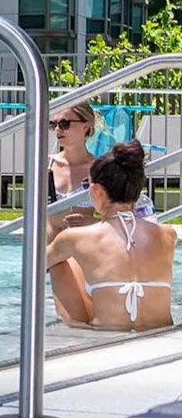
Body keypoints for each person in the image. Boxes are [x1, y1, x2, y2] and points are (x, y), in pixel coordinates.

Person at [47, 141, 174, 330]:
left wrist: (52, 225)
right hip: (159, 335)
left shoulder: (75, 238)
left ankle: (75, 326)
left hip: (104, 334)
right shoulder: (168, 235)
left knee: (60, 262)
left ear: (96, 191)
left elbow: (35, 263)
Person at [47, 101, 100, 229]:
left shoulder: (99, 169)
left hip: (84, 245)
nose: (58, 129)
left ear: (86, 127)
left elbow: (119, 217)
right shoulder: (46, 165)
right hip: (49, 246)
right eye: (53, 125)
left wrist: (92, 221)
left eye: (64, 124)